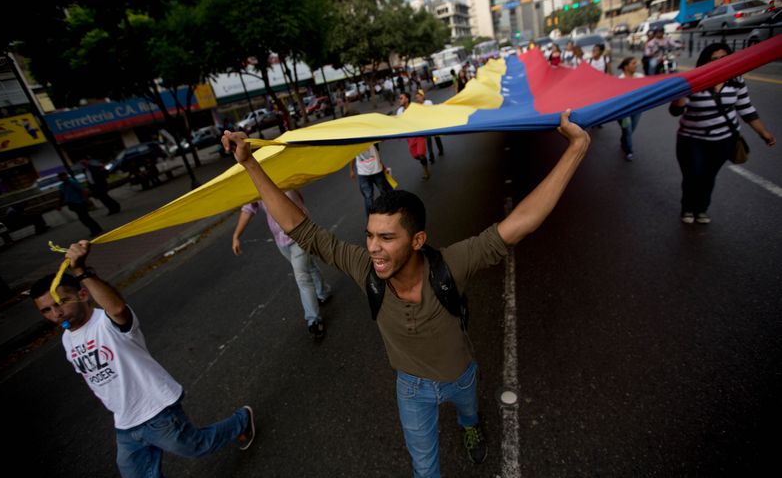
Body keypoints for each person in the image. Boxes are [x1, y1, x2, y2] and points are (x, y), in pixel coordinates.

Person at [221, 108, 589, 478]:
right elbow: (302, 229)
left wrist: (576, 147)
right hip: (411, 390)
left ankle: (470, 426)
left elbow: (521, 223)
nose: (373, 248)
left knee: (469, 414)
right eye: (369, 235)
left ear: (417, 240)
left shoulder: (452, 264)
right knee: (424, 469)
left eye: (386, 238)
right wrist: (250, 162)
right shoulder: (364, 268)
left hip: (461, 375)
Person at [30, 241, 255, 477]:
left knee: (193, 446)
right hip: (125, 422)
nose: (56, 313)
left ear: (83, 294)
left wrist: (81, 271)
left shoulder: (106, 322)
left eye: (61, 302)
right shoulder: (68, 339)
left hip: (156, 409)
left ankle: (240, 421)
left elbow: (117, 309)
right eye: (46, 310)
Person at [669, 43, 776, 224]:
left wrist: (763, 132)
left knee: (708, 176)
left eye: (724, 58)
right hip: (692, 140)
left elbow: (746, 108)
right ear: (706, 61)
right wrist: (679, 98)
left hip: (723, 140)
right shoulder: (694, 81)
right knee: (693, 175)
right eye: (714, 59)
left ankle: (701, 209)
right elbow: (675, 111)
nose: (720, 62)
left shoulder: (736, 80)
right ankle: (687, 207)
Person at [232, 190, 331, 340]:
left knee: (302, 277)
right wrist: (236, 235)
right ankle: (323, 292)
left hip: (300, 234)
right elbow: (248, 208)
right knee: (308, 266)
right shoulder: (255, 185)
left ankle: (314, 321)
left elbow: (297, 193)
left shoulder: (281, 174)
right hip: (281, 239)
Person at [349, 139, 394, 219]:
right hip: (363, 173)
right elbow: (352, 156)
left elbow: (381, 144)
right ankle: (371, 219)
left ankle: (388, 212)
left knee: (384, 192)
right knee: (368, 197)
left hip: (377, 171)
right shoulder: (354, 142)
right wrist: (351, 170)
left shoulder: (372, 138)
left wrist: (383, 166)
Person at [57, 172, 103, 237]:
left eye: (63, 176)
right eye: (61, 177)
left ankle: (95, 230)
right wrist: (59, 205)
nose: (62, 178)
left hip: (80, 202)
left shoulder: (72, 183)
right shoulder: (61, 186)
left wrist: (87, 200)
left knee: (85, 218)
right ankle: (97, 228)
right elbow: (61, 196)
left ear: (66, 176)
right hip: (72, 204)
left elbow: (82, 191)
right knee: (84, 218)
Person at [616, 57, 645, 161]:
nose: (636, 65)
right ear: (626, 66)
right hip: (624, 111)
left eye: (636, 63)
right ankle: (629, 151)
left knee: (630, 130)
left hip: (637, 109)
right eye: (633, 63)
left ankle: (623, 140)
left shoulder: (640, 77)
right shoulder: (620, 80)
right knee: (628, 130)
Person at [397, 92, 430, 181]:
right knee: (415, 156)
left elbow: (422, 118)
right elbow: (398, 123)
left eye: (401, 98)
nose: (399, 100)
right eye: (399, 98)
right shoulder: (400, 111)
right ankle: (424, 163)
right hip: (410, 137)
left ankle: (426, 171)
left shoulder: (415, 108)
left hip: (419, 134)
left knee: (421, 154)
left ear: (407, 99)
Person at [415, 89, 444, 164]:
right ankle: (431, 155)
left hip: (433, 123)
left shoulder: (428, 102)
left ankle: (440, 149)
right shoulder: (417, 106)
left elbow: (433, 111)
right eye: (416, 97)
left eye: (419, 97)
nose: (417, 99)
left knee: (437, 137)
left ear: (422, 96)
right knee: (428, 141)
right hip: (426, 126)